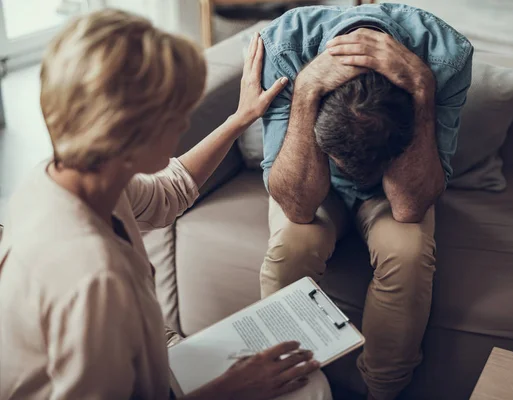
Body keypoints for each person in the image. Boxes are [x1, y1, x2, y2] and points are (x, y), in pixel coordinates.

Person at [0, 9, 332, 400]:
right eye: (177, 114)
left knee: (303, 379)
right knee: (307, 389)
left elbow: (168, 192)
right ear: (128, 137)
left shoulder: (63, 177)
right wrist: (231, 389)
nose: (185, 121)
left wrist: (241, 118)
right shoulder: (94, 278)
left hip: (150, 367)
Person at [258, 4, 473, 400]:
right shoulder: (283, 44)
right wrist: (306, 89)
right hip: (313, 183)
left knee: (407, 253)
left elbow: (408, 207)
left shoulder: (446, 56)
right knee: (292, 247)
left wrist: (423, 91)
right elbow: (299, 207)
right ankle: (287, 389)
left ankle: (383, 393)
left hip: (391, 191)